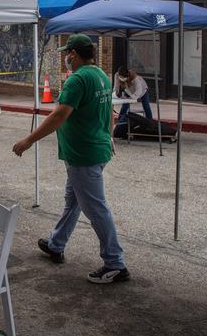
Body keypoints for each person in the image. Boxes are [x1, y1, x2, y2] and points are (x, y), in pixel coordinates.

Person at [12, 33, 129, 285]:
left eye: (67, 53)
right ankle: (56, 244)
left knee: (95, 208)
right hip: (95, 150)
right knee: (73, 202)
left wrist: (28, 141)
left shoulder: (76, 80)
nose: (66, 57)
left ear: (74, 54)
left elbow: (58, 116)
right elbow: (109, 111)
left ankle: (115, 263)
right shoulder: (100, 75)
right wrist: (109, 138)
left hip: (83, 155)